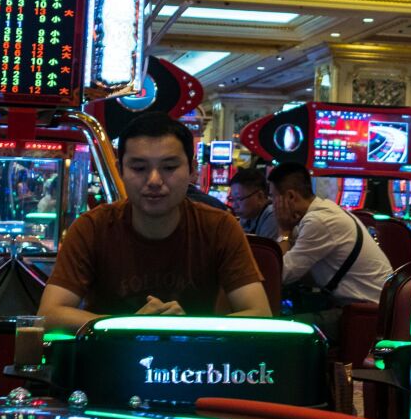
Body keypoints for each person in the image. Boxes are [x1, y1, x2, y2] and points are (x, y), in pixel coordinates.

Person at [39, 112, 270, 329]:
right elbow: (49, 313)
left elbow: (260, 313)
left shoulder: (219, 227)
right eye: (139, 168)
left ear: (192, 170)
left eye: (169, 167)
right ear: (120, 170)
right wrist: (127, 325)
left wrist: (187, 327)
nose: (154, 180)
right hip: (110, 354)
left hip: (195, 356)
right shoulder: (92, 227)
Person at [268, 163, 393, 338]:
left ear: (290, 197)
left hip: (366, 313)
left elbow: (280, 275)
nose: (272, 204)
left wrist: (284, 232)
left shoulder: (319, 221)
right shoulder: (321, 212)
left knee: (280, 331)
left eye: (273, 197)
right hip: (362, 307)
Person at [227, 167, 279, 240]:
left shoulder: (273, 215)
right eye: (232, 199)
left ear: (260, 196)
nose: (234, 205)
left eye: (238, 199)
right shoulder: (247, 215)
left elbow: (263, 247)